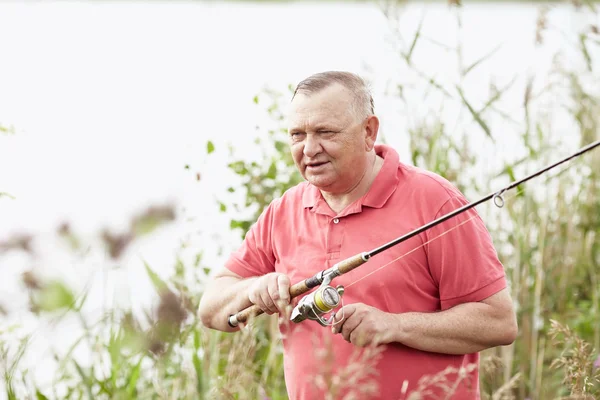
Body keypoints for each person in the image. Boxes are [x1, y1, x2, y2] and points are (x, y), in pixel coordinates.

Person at [198, 71, 518, 399]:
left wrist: (395, 326)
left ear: (368, 131)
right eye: (297, 134)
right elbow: (211, 308)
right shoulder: (284, 211)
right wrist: (253, 289)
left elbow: (498, 322)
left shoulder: (435, 200)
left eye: (325, 132)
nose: (309, 149)